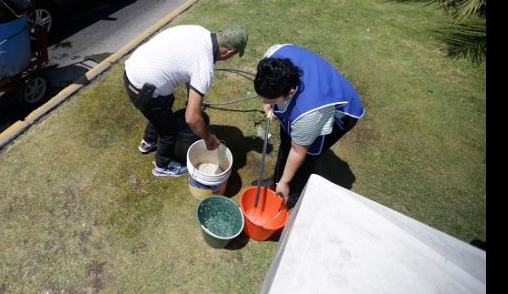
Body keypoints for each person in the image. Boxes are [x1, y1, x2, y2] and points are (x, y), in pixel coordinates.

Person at [124, 24, 248, 177]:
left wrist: (191, 98)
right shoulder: (204, 67)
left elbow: (188, 67)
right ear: (229, 52)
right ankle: (162, 166)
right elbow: (192, 118)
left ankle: (148, 142)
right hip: (145, 91)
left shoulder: (200, 32)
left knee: (164, 104)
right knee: (168, 131)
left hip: (132, 70)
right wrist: (209, 139)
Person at [253, 44, 364, 208]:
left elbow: (298, 151)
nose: (265, 104)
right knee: (287, 137)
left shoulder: (308, 114)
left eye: (271, 100)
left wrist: (285, 182)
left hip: (341, 113)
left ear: (290, 92)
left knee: (308, 155)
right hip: (313, 94)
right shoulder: (274, 56)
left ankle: (292, 192)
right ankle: (276, 181)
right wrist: (270, 103)